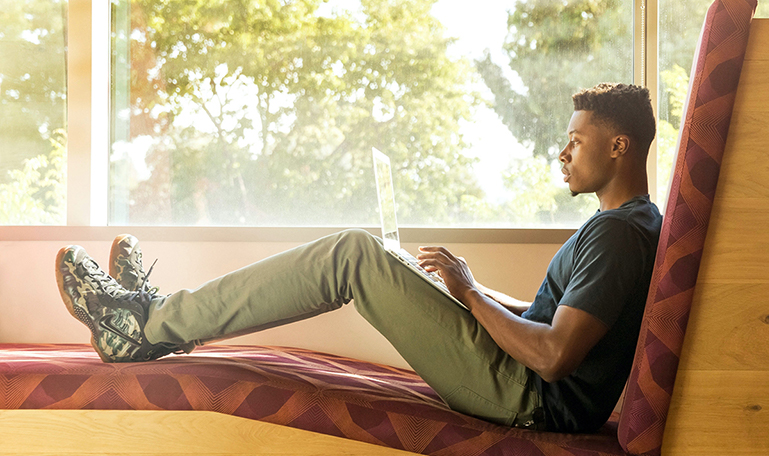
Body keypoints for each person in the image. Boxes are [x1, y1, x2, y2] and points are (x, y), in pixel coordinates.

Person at [55, 83, 662, 433]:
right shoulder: (623, 228)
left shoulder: (616, 236)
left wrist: (472, 293)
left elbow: (554, 358)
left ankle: (149, 325)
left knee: (351, 254)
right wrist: (462, 288)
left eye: (575, 141)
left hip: (529, 399)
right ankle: (157, 320)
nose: (562, 153)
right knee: (365, 254)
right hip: (522, 382)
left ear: (618, 145)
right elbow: (546, 319)